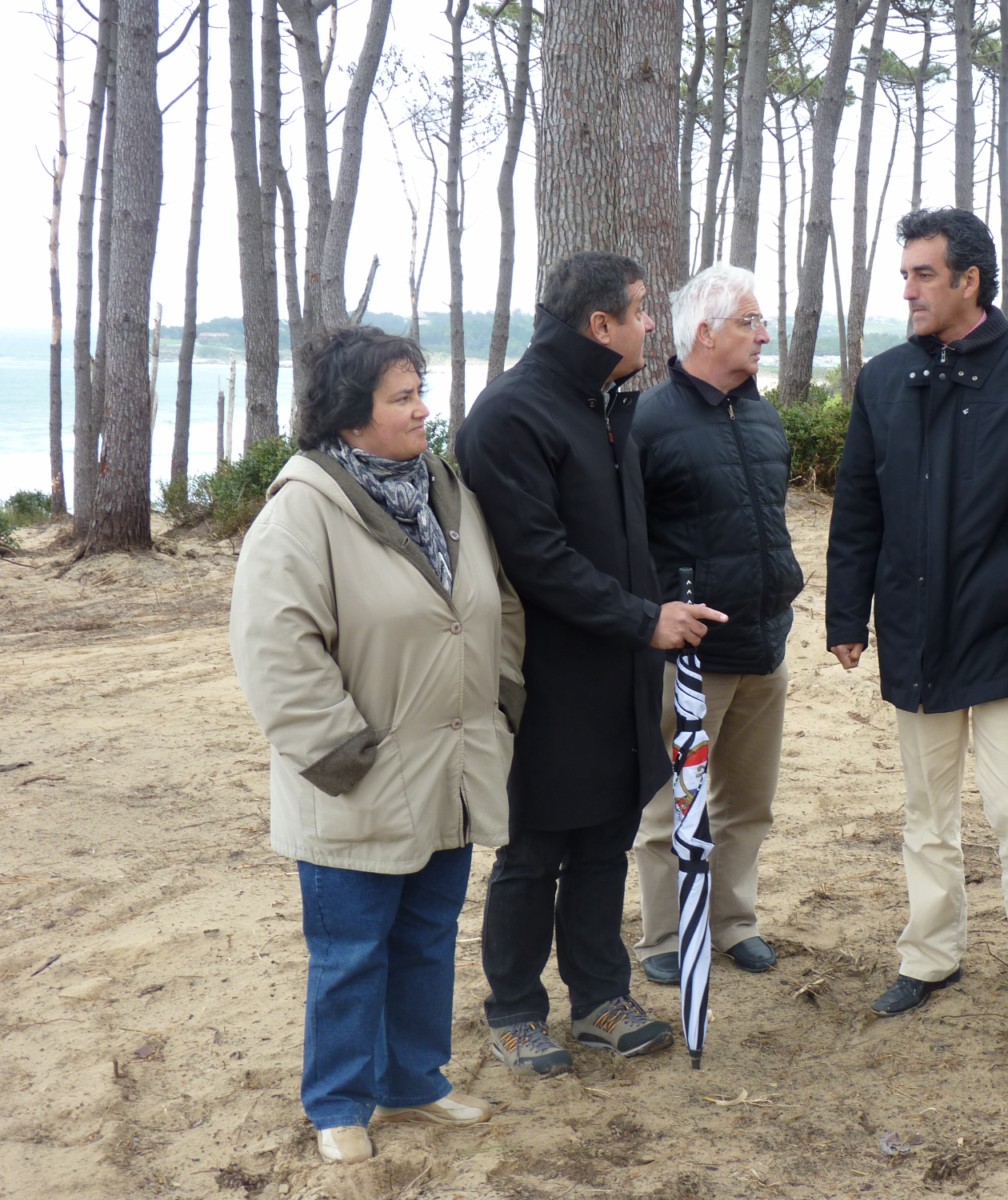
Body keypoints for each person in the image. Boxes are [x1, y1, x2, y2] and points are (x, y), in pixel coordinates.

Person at [230, 326, 523, 1164]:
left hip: (451, 770)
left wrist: (501, 697)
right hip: (357, 783)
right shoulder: (301, 510)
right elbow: (275, 649)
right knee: (352, 952)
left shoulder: (442, 489)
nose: (423, 411)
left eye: (419, 392)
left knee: (427, 937)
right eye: (402, 398)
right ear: (350, 416)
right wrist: (345, 755)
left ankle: (412, 1083)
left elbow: (495, 602)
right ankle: (339, 1103)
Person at [454, 252, 726, 1077]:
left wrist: (655, 615)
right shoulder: (510, 415)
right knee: (536, 847)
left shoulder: (609, 407)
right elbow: (537, 558)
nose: (652, 325)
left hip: (621, 667)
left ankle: (601, 995)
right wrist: (646, 620)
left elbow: (626, 538)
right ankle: (513, 1010)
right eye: (641, 311)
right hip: (542, 676)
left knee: (605, 838)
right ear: (599, 325)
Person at [826, 208, 1008, 1016]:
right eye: (904, 274)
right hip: (914, 630)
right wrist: (846, 614)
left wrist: (998, 586)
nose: (907, 289)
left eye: (923, 274)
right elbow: (858, 502)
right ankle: (931, 955)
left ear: (969, 280)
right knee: (927, 810)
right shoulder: (882, 378)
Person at [629, 263, 804, 985]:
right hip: (691, 655)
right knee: (674, 804)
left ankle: (732, 923)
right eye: (749, 322)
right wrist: (656, 615)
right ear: (704, 332)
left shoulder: (762, 417)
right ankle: (665, 937)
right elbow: (627, 543)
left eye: (761, 323)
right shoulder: (647, 421)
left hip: (765, 644)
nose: (764, 335)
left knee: (748, 803)